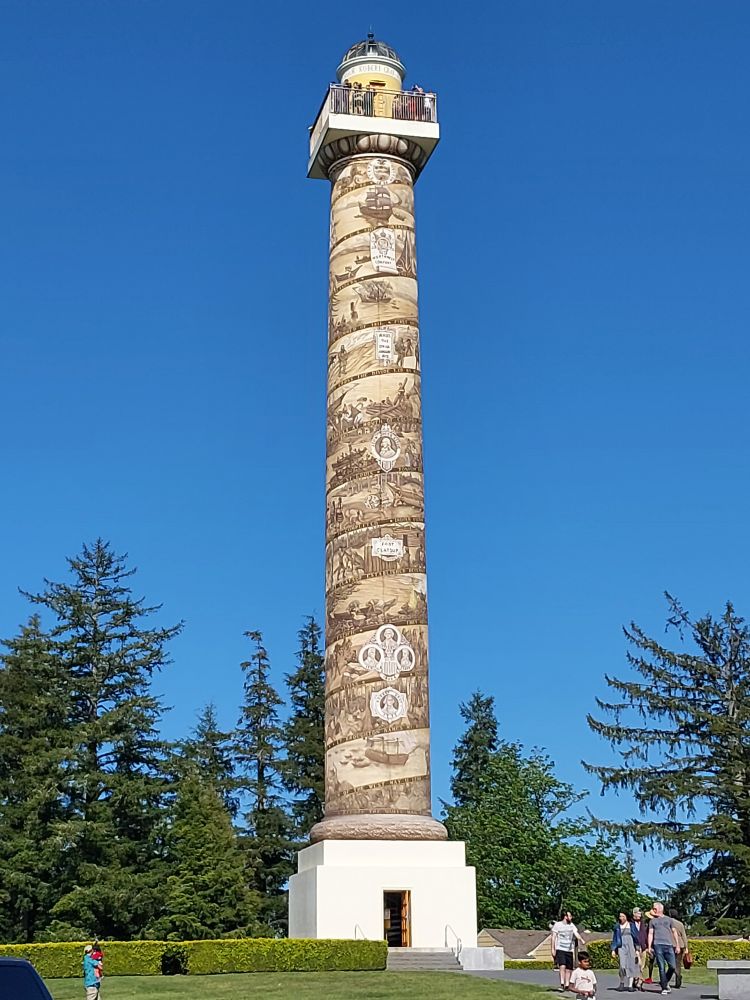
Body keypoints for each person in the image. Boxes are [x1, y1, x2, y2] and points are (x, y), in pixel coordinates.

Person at [647, 901, 681, 995]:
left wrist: (677, 945)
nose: (652, 910)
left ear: (658, 909)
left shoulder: (669, 920)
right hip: (658, 945)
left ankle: (664, 981)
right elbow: (650, 933)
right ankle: (664, 987)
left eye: (654, 908)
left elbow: (674, 932)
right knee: (661, 967)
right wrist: (649, 946)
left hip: (669, 945)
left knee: (672, 966)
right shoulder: (652, 921)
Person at [551, 910, 586, 992]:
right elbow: (553, 937)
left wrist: (581, 940)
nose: (571, 917)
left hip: (569, 949)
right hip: (560, 948)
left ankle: (567, 985)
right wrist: (553, 949)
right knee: (562, 965)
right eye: (569, 916)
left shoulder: (572, 925)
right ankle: (562, 984)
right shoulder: (558, 925)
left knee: (569, 968)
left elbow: (576, 933)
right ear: (565, 917)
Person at [611, 911, 640, 991]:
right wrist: (613, 949)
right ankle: (622, 983)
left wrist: (637, 949)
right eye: (620, 916)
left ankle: (630, 985)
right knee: (622, 966)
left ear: (626, 917)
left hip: (630, 946)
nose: (621, 918)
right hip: (621, 946)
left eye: (623, 916)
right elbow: (615, 939)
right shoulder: (617, 926)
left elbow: (636, 938)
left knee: (631, 964)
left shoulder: (631, 925)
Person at [668, 909, 689, 989]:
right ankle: (678, 977)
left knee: (670, 963)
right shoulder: (680, 924)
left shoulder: (668, 922)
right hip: (680, 944)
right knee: (678, 963)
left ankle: (671, 976)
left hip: (670, 944)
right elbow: (684, 936)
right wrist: (686, 947)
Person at [631, 906, 650, 988]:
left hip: (643, 946)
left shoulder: (643, 924)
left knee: (642, 965)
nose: (640, 914)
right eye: (638, 913)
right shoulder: (630, 924)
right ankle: (636, 979)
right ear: (634, 914)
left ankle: (639, 980)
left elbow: (646, 935)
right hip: (635, 947)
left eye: (640, 913)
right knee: (637, 964)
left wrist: (648, 946)